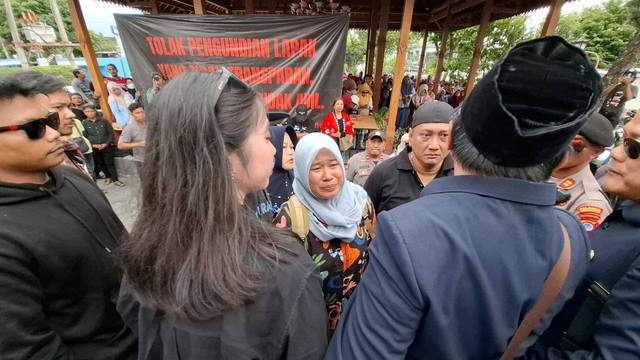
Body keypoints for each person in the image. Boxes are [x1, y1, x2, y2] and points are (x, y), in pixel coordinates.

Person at [327, 36, 602, 359]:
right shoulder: (570, 236)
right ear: (559, 156)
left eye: (440, 135)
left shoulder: (408, 233)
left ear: (454, 139)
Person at [117, 70, 327, 360]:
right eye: (266, 137)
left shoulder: (145, 248)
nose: (273, 149)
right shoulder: (285, 270)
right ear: (224, 153)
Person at [0, 71, 137, 360]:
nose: (53, 133)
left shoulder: (70, 177)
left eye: (49, 122)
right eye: (34, 128)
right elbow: (27, 349)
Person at [522, 111, 640, 360]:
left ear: (594, 152)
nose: (616, 154)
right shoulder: (626, 216)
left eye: (634, 148)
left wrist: (521, 353)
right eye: (622, 141)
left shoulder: (592, 203)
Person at [273, 133, 374, 336]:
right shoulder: (290, 219)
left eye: (333, 164)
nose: (327, 175)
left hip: (356, 323)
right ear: (301, 170)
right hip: (309, 331)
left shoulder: (361, 205)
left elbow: (371, 258)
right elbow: (281, 289)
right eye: (316, 168)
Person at [364, 101, 454, 213]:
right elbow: (365, 221)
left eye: (444, 135)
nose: (434, 146)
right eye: (426, 135)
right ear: (411, 136)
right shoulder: (383, 173)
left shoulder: (460, 176)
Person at [550, 113, 615, 232]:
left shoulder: (589, 202)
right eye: (560, 136)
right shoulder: (531, 169)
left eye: (576, 144)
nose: (563, 147)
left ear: (596, 152)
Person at [82, 104, 125, 187]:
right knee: (100, 162)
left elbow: (110, 134)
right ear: (84, 113)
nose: (90, 113)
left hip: (106, 146)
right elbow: (84, 137)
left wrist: (106, 143)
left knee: (110, 162)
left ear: (95, 111)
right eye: (88, 111)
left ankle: (115, 179)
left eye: (92, 111)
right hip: (94, 148)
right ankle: (108, 176)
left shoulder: (104, 121)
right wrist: (92, 145)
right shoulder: (84, 124)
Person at [267, 125, 297, 214]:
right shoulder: (259, 186)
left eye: (292, 147)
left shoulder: (298, 180)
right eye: (283, 147)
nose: (290, 152)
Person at [117, 102, 147, 176]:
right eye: (137, 113)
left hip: (155, 158)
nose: (141, 115)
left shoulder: (150, 124)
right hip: (142, 161)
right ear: (131, 114)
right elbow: (120, 145)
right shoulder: (129, 128)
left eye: (142, 112)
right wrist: (139, 144)